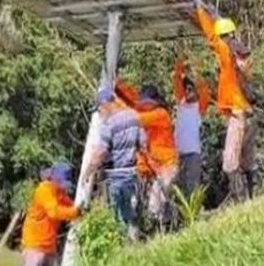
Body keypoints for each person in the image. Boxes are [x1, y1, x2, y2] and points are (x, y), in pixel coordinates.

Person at [192, 0, 256, 203]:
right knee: (247, 162)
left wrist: (200, 11)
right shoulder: (241, 54)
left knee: (229, 163)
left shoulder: (227, 53)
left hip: (238, 113)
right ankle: (252, 199)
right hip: (246, 113)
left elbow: (211, 37)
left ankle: (242, 202)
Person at [115, 80, 179, 228]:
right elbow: (132, 99)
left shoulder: (161, 114)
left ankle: (164, 231)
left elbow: (136, 119)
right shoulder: (147, 111)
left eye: (147, 102)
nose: (144, 104)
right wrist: (117, 85)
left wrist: (116, 104)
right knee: (157, 201)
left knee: (156, 203)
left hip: (167, 166)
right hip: (155, 167)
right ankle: (168, 228)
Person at [88, 86, 146, 241]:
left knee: (117, 215)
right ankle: (134, 244)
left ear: (105, 104)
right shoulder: (134, 116)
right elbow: (144, 145)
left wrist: (88, 172)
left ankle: (121, 247)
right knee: (130, 213)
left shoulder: (109, 125)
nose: (100, 112)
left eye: (100, 108)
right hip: (132, 174)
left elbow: (101, 153)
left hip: (115, 177)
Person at [20, 162, 81, 266]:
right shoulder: (44, 190)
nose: (64, 187)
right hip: (35, 246)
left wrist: (79, 210)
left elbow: (69, 206)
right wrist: (75, 212)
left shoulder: (59, 192)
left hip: (49, 247)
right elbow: (54, 212)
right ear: (54, 178)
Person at [172, 57, 212, 199]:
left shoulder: (199, 107)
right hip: (178, 152)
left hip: (193, 152)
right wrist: (180, 61)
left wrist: (195, 69)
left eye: (190, 89)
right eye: (186, 89)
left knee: (193, 186)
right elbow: (176, 79)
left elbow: (203, 89)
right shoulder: (181, 103)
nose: (188, 92)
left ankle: (195, 215)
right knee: (179, 186)